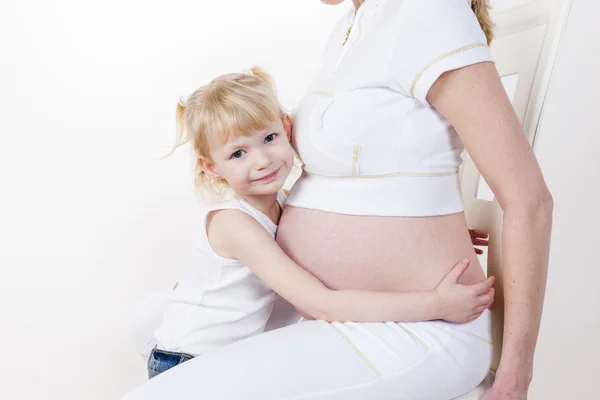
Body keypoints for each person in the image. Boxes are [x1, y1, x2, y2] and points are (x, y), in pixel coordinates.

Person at [123, 0, 552, 399]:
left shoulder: (426, 11)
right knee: (149, 319)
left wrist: (516, 376)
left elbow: (528, 201)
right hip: (333, 307)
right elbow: (394, 166)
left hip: (416, 326)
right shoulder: (352, 24)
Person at [143, 66, 494, 380]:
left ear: (286, 127)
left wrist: (428, 237)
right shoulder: (235, 225)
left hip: (228, 359)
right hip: (186, 364)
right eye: (238, 153)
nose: (262, 160)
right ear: (212, 168)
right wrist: (436, 304)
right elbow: (323, 304)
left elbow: (353, 230)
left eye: (268, 138)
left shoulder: (286, 203)